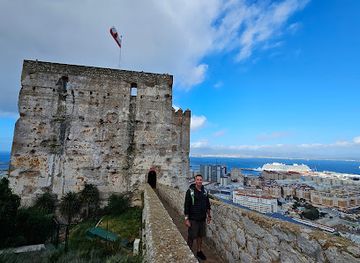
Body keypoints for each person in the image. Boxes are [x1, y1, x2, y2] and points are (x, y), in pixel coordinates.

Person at [184, 174, 211, 260]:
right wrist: (186, 219)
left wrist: (209, 215)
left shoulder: (205, 191)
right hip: (193, 219)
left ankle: (199, 251)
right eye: (197, 179)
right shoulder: (190, 191)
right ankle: (189, 251)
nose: (199, 181)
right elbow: (186, 206)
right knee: (191, 236)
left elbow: (207, 204)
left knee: (200, 236)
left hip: (202, 219)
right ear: (195, 181)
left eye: (200, 180)